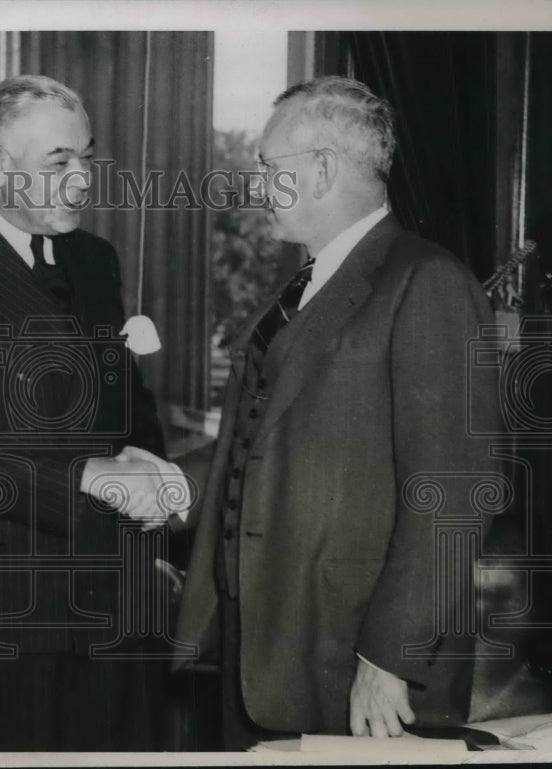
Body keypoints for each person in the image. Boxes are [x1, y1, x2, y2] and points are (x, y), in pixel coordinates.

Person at [175, 76, 502, 749]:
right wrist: (169, 479)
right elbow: (262, 442)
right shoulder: (303, 285)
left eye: (268, 168)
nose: (257, 185)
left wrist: (388, 658)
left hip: (359, 668)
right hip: (268, 658)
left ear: (321, 169)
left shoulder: (427, 280)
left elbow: (456, 491)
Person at [0, 75, 177, 751]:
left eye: (86, 157)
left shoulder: (96, 260)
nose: (81, 179)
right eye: (59, 162)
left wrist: (152, 495)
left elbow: (127, 407)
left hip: (124, 608)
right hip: (6, 619)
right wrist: (86, 479)